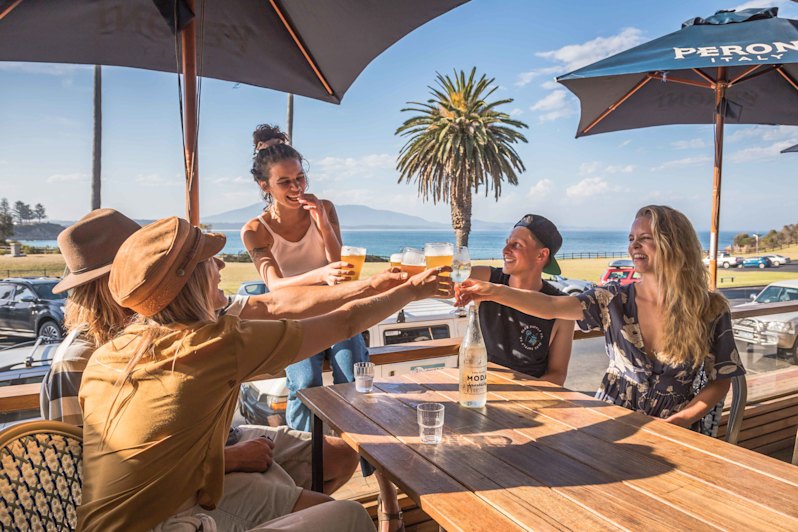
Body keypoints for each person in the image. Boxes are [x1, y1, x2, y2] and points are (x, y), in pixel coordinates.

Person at [77, 216, 450, 531]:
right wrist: (414, 290)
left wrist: (369, 285)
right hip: (168, 520)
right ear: (190, 280)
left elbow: (275, 303)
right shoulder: (215, 344)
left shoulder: (111, 353)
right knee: (350, 516)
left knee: (320, 500)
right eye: (211, 260)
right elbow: (346, 323)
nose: (222, 266)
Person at [458, 205, 745, 428]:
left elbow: (721, 379)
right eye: (632, 238)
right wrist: (495, 291)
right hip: (610, 421)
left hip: (676, 427)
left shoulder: (710, 309)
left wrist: (683, 420)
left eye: (645, 239)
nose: (634, 246)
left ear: (675, 246)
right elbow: (550, 306)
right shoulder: (612, 299)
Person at [242, 141, 370, 432]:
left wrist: (322, 221)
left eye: (300, 178)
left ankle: (364, 454)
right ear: (265, 186)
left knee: (352, 376)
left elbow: (340, 265)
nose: (296, 187)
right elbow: (274, 285)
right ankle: (307, 458)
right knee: (304, 383)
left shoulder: (325, 208)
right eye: (284, 182)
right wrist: (319, 276)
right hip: (295, 316)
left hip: (337, 310)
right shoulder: (255, 229)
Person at [462, 214, 573, 385]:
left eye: (516, 245)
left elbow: (557, 375)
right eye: (507, 242)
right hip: (478, 387)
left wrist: (516, 394)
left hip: (528, 400)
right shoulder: (487, 278)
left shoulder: (560, 306)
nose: (505, 250)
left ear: (541, 255)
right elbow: (444, 282)